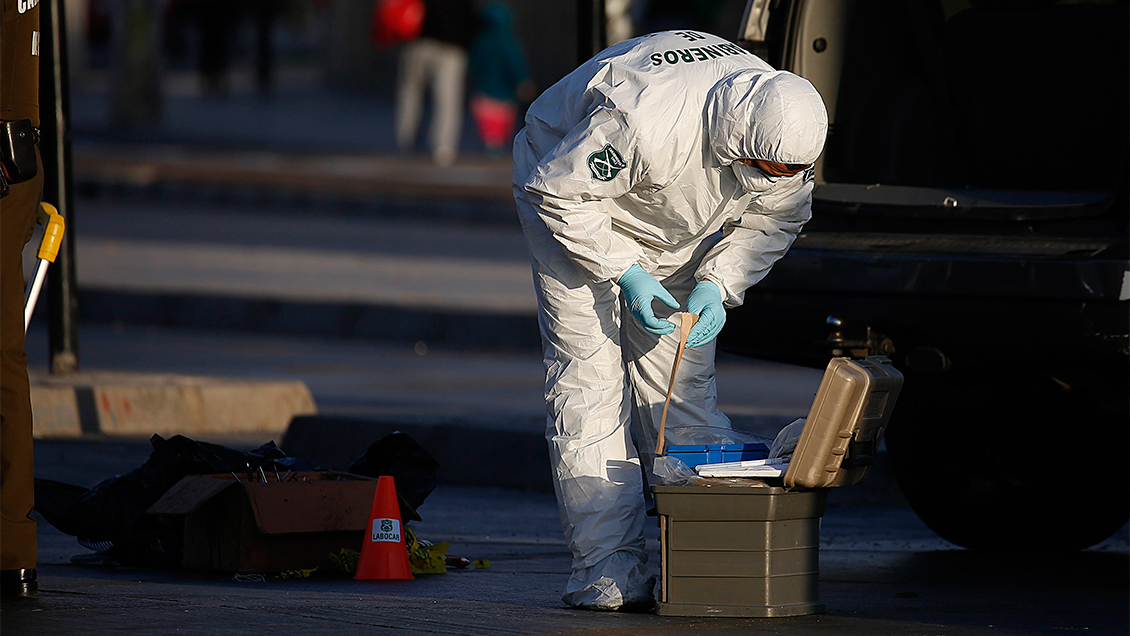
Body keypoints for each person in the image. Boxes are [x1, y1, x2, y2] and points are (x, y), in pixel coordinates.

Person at [511, 30, 827, 611]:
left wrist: (719, 282)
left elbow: (776, 218)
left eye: (790, 170)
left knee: (682, 396)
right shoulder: (646, 119)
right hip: (575, 202)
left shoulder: (784, 125)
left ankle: (699, 555)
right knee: (591, 385)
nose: (776, 177)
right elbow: (557, 193)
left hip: (675, 230)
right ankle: (606, 567)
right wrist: (627, 272)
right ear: (742, 136)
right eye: (768, 166)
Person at [1, 0, 46, 600]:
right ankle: (12, 543)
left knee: (2, 355)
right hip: (16, 156)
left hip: (7, 160)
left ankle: (12, 541)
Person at [394, 0, 476, 166]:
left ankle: (406, 143)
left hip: (417, 42)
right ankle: (442, 149)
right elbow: (470, 17)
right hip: (451, 46)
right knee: (447, 99)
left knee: (410, 95)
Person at [466, 2, 533, 157]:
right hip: (505, 95)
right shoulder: (509, 43)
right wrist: (523, 81)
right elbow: (516, 65)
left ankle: (490, 148)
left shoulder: (480, 42)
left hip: (483, 92)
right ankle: (495, 150)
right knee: (500, 129)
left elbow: (473, 65)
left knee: (487, 129)